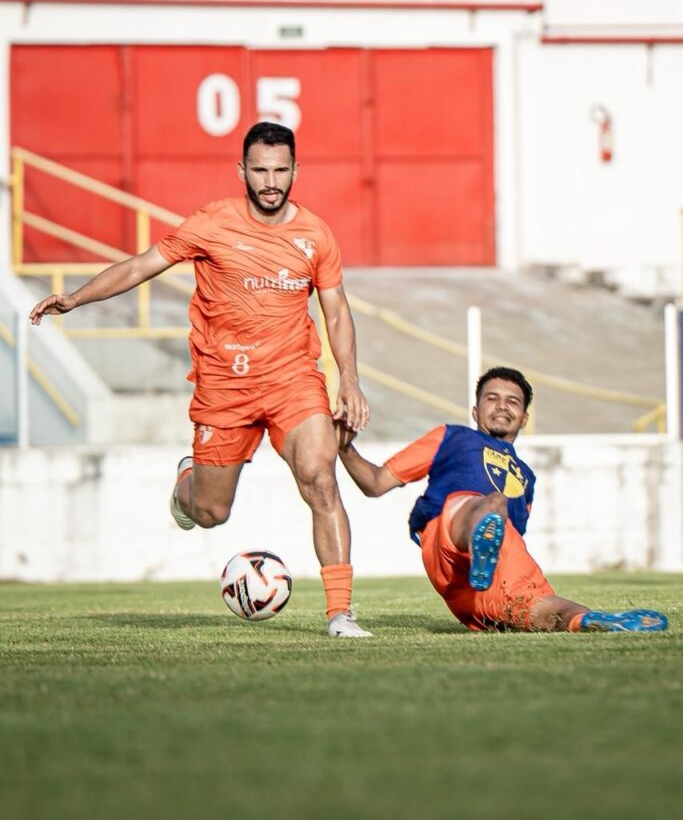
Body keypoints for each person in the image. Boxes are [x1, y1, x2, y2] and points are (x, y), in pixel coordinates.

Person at [30, 121, 372, 638]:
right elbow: (140, 266)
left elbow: (337, 311)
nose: (271, 180)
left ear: (296, 170)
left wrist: (348, 379)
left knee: (320, 478)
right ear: (243, 171)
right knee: (211, 512)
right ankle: (186, 485)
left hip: (293, 380)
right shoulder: (211, 224)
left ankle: (341, 613)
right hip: (224, 387)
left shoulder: (316, 235)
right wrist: (76, 297)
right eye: (260, 170)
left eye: (281, 170)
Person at [336, 366, 668, 634]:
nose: (502, 406)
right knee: (492, 504)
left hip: (493, 566)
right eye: (492, 398)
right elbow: (375, 483)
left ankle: (593, 620)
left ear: (524, 417)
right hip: (450, 540)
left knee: (546, 606)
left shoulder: (527, 477)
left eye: (513, 401)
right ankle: (484, 538)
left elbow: (515, 537)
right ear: (475, 409)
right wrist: (344, 447)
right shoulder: (452, 437)